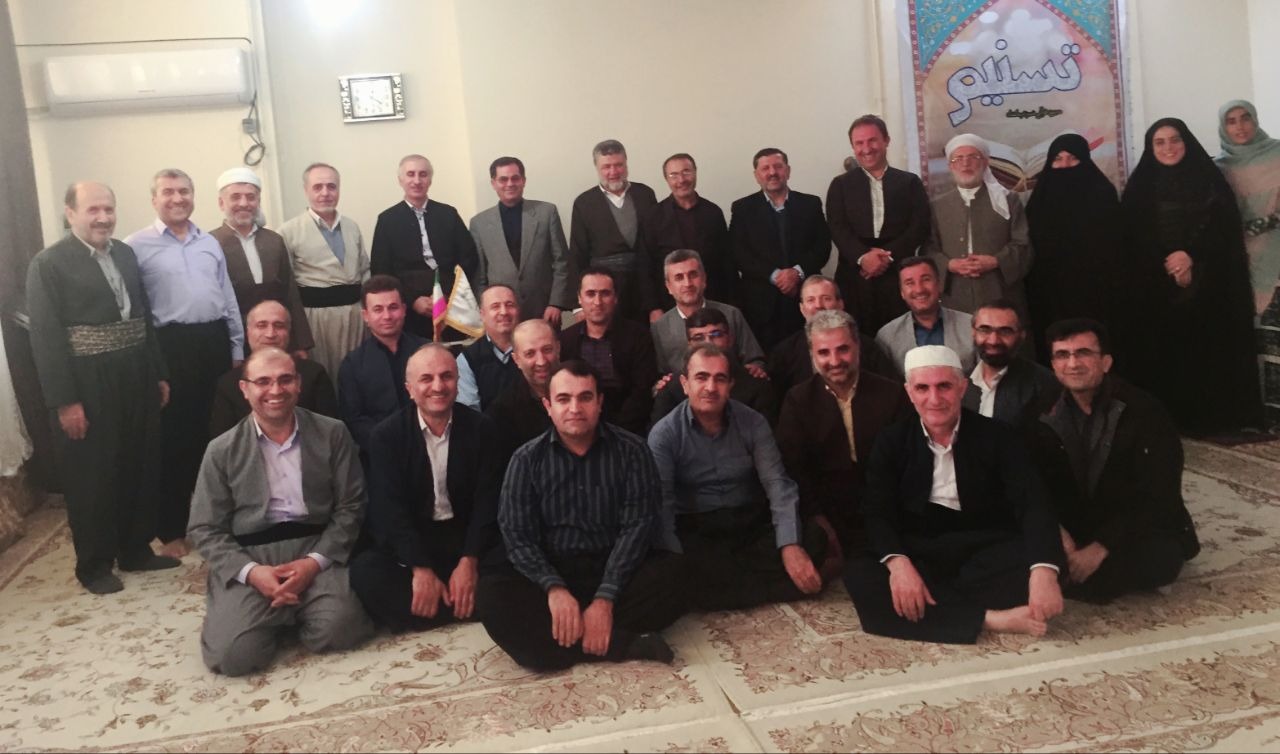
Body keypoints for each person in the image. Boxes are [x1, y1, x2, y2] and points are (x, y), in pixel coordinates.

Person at [843, 345, 1065, 644]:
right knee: (862, 575)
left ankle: (940, 609)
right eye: (923, 388)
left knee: (1038, 562)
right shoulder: (891, 440)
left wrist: (1043, 572)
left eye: (944, 386)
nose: (934, 399)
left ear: (962, 387)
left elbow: (1033, 503)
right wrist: (899, 565)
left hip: (981, 539)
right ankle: (990, 619)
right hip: (918, 541)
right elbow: (877, 510)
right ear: (909, 393)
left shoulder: (999, 436)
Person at [477, 361, 685, 670]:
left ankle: (563, 642)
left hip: (615, 567)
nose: (575, 408)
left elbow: (637, 528)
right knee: (491, 597)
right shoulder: (525, 459)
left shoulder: (633, 451)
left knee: (676, 574)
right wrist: (555, 589)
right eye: (564, 399)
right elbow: (518, 537)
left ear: (599, 402)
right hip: (553, 570)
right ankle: (621, 644)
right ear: (548, 406)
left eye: (585, 397)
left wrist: (605, 598)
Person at [26, 181, 178, 594]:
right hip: (86, 381)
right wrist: (65, 401)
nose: (103, 218)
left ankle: (135, 549)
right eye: (93, 210)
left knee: (138, 462)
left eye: (108, 209)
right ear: (70, 213)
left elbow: (144, 318)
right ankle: (94, 564)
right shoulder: (48, 264)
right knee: (92, 473)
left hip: (136, 372)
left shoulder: (125, 253)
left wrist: (158, 373)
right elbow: (45, 338)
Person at [188, 347, 373, 676]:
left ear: (298, 384)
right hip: (252, 555)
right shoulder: (220, 450)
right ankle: (267, 614)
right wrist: (252, 573)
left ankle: (288, 612)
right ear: (245, 389)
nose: (275, 390)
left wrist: (312, 564)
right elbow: (204, 528)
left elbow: (351, 505)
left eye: (285, 379)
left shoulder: (332, 433)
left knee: (341, 629)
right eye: (263, 381)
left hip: (314, 548)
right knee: (234, 657)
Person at [1029, 319, 1199, 603]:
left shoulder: (1145, 412)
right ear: (1053, 364)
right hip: (1073, 524)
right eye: (1062, 355)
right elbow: (1029, 480)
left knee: (1157, 561)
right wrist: (1058, 534)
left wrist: (1100, 547)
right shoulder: (1041, 409)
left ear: (1106, 362)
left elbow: (1159, 491)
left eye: (1083, 353)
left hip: (1131, 526)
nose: (1073, 364)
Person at [649, 344, 825, 610]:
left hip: (749, 523)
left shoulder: (753, 422)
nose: (711, 387)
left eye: (720, 378)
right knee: (679, 567)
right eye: (701, 377)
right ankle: (770, 589)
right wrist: (673, 560)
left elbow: (777, 483)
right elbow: (662, 504)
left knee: (812, 538)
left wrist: (789, 545)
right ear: (685, 384)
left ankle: (719, 593)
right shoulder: (664, 434)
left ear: (731, 385)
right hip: (700, 529)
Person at [126, 168, 245, 557]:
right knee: (174, 438)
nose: (177, 198)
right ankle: (172, 528)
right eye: (168, 192)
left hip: (213, 342)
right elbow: (135, 311)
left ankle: (219, 520)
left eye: (184, 191)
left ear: (194, 196)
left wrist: (237, 349)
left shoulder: (209, 242)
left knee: (217, 433)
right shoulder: (135, 247)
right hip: (169, 346)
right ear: (154, 199)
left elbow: (227, 297)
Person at [1119, 117, 1262, 435]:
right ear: (1150, 147)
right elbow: (1132, 238)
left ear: (1187, 142)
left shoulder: (1210, 181)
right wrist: (1168, 265)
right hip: (1156, 288)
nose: (1168, 147)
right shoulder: (1140, 186)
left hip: (1210, 286)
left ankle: (1212, 420)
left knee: (1206, 352)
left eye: (1175, 140)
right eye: (1160, 142)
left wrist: (1191, 257)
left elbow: (1225, 233)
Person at [349, 344, 503, 631]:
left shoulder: (482, 428)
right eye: (426, 379)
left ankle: (440, 607)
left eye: (446, 376)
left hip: (466, 536)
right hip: (418, 536)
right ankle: (463, 604)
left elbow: (488, 501)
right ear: (409, 389)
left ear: (457, 382)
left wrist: (469, 561)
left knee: (511, 562)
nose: (438, 386)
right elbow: (390, 509)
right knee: (365, 571)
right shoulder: (386, 436)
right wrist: (420, 567)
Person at [776, 310, 907, 564]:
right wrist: (817, 517)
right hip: (828, 511)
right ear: (812, 354)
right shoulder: (798, 400)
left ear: (858, 347)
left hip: (886, 504)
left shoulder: (891, 394)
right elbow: (793, 467)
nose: (835, 361)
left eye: (843, 349)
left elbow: (905, 462)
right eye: (824, 353)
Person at [826, 115, 932, 337]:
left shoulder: (909, 182)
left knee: (901, 337)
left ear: (886, 140)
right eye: (859, 143)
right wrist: (863, 257)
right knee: (855, 338)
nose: (866, 148)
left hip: (898, 274)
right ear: (853, 147)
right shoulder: (840, 185)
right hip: (854, 275)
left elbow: (919, 226)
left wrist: (885, 258)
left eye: (872, 140)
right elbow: (837, 227)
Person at [1023, 134, 1121, 362]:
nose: (1065, 165)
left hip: (1096, 291)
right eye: (1057, 159)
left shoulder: (1102, 194)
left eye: (1072, 158)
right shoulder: (1040, 199)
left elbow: (1116, 246)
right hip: (1049, 293)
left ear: (1085, 160)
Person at [729, 147, 831, 349]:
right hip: (761, 305)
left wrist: (796, 273)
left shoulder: (810, 204)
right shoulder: (742, 208)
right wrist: (776, 276)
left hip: (806, 299)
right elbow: (738, 252)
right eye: (765, 168)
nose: (772, 172)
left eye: (778, 166)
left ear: (788, 170)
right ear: (756, 175)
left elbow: (822, 247)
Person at [1217, 100, 1280, 423]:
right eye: (1231, 121)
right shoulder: (1219, 169)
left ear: (1255, 120)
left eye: (1245, 118)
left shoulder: (1277, 154)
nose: (1240, 126)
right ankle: (1266, 415)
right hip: (1242, 262)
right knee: (1259, 343)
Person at [371, 155, 480, 339]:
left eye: (423, 174)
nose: (417, 180)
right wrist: (412, 301)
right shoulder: (387, 220)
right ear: (400, 180)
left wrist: (448, 295)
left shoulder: (448, 214)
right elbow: (381, 270)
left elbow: (469, 258)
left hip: (452, 305)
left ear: (430, 179)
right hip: (408, 308)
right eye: (410, 174)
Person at [924, 134, 1032, 318]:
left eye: (972, 157)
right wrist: (950, 264)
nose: (965, 164)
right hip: (955, 296)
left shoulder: (1008, 200)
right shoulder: (937, 206)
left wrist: (995, 261)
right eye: (958, 159)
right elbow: (928, 248)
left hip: (999, 292)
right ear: (950, 166)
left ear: (985, 162)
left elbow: (1023, 245)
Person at [209, 167, 314, 356]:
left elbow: (290, 294)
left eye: (250, 197)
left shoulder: (274, 241)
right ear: (221, 203)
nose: (244, 203)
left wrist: (300, 343)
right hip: (232, 339)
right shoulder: (210, 244)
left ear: (258, 201)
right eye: (235, 197)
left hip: (275, 335)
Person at [278, 163, 369, 380]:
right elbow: (286, 288)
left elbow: (365, 271)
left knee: (357, 375)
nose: (325, 193)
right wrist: (297, 337)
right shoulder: (288, 231)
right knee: (323, 377)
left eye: (331, 186)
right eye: (318, 187)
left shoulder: (352, 227)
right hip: (315, 320)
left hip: (355, 317)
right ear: (306, 190)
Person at [210, 300, 338, 438]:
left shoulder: (314, 374)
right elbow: (223, 442)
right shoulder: (228, 383)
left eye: (279, 325)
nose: (270, 334)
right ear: (248, 332)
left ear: (289, 332)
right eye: (261, 325)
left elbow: (330, 435)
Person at [470, 156, 574, 325]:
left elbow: (561, 262)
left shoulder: (547, 213)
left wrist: (556, 303)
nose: (510, 184)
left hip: (544, 311)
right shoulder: (479, 223)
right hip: (502, 316)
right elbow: (480, 276)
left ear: (523, 180)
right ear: (493, 183)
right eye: (503, 179)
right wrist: (487, 311)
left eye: (515, 178)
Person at [337, 276, 429, 457]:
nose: (387, 316)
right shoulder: (352, 365)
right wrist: (389, 446)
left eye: (393, 307)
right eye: (378, 309)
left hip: (432, 446)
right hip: (380, 455)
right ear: (365, 315)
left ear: (404, 310)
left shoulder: (427, 352)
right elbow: (354, 420)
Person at [558, 266, 657, 435]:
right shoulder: (565, 340)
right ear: (579, 298)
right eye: (590, 294)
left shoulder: (638, 336)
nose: (598, 302)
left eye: (605, 293)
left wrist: (616, 432)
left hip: (629, 430)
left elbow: (642, 391)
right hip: (579, 426)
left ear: (615, 298)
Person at [569, 140, 659, 322]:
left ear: (626, 164)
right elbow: (577, 255)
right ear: (597, 168)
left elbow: (655, 246)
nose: (613, 172)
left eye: (619, 165)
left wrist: (656, 302)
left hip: (645, 287)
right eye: (606, 167)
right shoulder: (584, 203)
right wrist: (577, 306)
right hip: (603, 291)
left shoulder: (645, 194)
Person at [766, 274, 895, 397]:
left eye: (826, 298)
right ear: (802, 308)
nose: (818, 306)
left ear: (840, 304)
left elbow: (889, 390)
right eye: (811, 300)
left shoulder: (867, 346)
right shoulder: (783, 354)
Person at [640, 153, 735, 315]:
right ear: (666, 179)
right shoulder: (653, 216)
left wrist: (732, 304)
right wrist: (653, 308)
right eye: (674, 175)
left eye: (686, 172)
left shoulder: (713, 212)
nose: (681, 180)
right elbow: (645, 265)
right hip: (668, 305)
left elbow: (727, 262)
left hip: (713, 301)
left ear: (695, 173)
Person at [650, 307, 777, 427]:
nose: (708, 343)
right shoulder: (671, 389)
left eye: (716, 335)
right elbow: (658, 436)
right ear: (689, 344)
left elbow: (763, 436)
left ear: (730, 339)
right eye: (699, 338)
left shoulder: (756, 386)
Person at [650, 249, 766, 375]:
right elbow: (661, 373)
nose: (687, 283)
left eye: (693, 275)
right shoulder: (659, 327)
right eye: (679, 278)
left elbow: (755, 359)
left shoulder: (731, 314)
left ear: (704, 279)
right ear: (668, 286)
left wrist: (755, 369)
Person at [961, 300, 1058, 427]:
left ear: (1022, 335)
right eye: (985, 330)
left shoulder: (1043, 383)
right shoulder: (958, 382)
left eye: (1005, 331)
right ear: (973, 333)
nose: (993, 341)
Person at [875, 257, 976, 378]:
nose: (919, 289)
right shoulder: (887, 337)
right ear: (902, 292)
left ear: (939, 285)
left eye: (926, 280)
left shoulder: (971, 326)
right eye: (910, 283)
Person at [485, 318, 559, 456]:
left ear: (558, 349)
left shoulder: (582, 394)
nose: (541, 361)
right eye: (530, 354)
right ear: (516, 360)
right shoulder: (501, 413)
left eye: (547, 350)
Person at [455, 284, 520, 411]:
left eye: (509, 305)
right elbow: (470, 413)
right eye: (495, 306)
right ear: (482, 314)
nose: (504, 312)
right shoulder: (467, 360)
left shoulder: (535, 350)